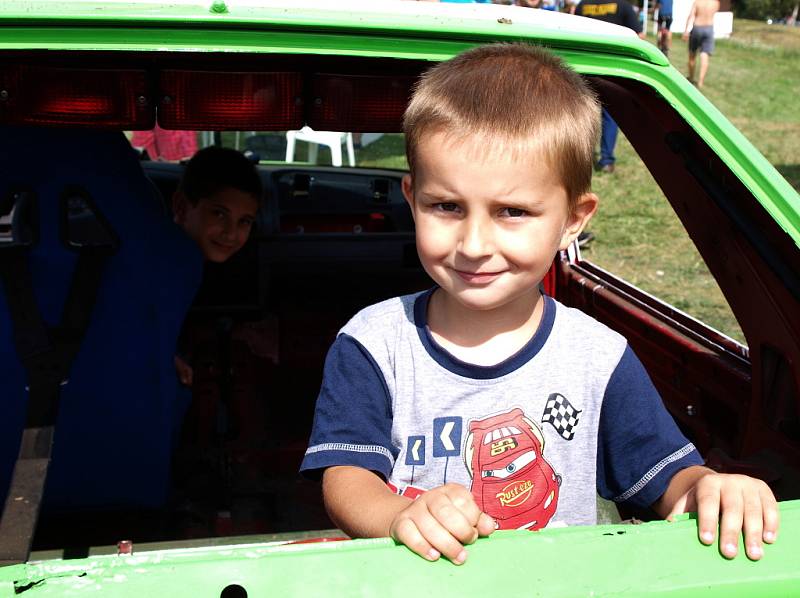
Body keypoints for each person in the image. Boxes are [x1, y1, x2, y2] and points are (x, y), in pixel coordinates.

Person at [300, 43, 779, 566]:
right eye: (446, 206)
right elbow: (345, 479)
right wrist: (397, 515)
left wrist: (714, 487)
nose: (475, 244)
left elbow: (668, 483)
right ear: (412, 198)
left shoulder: (597, 358)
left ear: (574, 218)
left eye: (512, 211)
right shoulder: (374, 343)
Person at [172, 146, 263, 386]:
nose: (231, 233)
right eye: (219, 214)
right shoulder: (171, 265)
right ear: (181, 207)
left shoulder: (185, 259)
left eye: (244, 221)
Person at [575, 0, 645, 173]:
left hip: (585, 66)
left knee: (582, 112)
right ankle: (606, 160)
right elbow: (639, 36)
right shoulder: (623, 5)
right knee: (610, 115)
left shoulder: (583, 5)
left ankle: (580, 158)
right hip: (612, 68)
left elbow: (573, 33)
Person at [683, 0, 720, 89]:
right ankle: (700, 82)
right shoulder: (715, 3)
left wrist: (686, 31)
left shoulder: (698, 2)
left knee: (692, 54)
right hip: (709, 28)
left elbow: (691, 15)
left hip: (697, 27)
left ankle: (691, 78)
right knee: (705, 55)